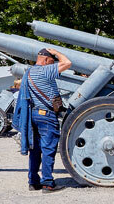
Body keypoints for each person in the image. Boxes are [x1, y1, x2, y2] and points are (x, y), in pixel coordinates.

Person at [13, 47, 71, 192]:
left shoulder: (29, 72)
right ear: (45, 59)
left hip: (32, 115)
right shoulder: (46, 70)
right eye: (51, 61)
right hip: (46, 116)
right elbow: (67, 63)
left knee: (35, 150)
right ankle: (47, 183)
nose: (53, 64)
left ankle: (33, 181)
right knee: (48, 149)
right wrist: (57, 52)